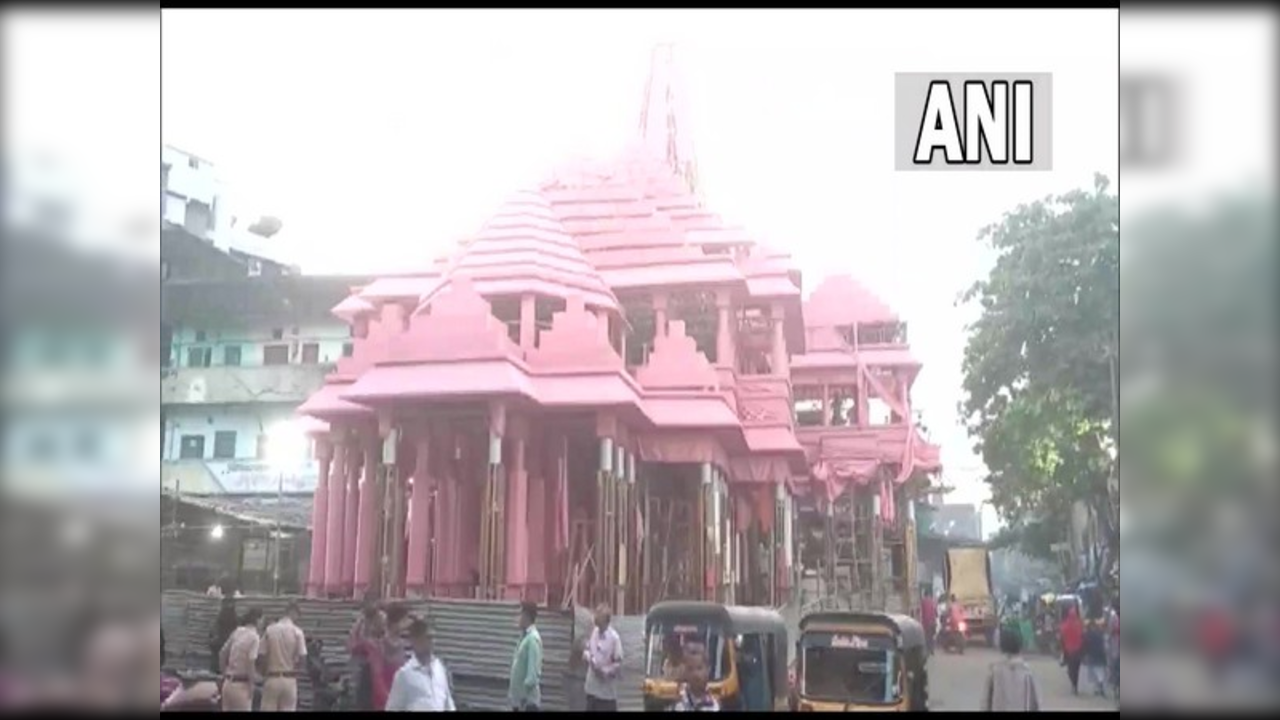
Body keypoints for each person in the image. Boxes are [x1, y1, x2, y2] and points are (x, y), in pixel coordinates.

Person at [385, 617, 456, 712]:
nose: (431, 642)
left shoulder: (439, 668)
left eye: (432, 637)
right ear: (414, 641)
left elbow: (448, 703)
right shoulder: (405, 675)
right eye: (426, 638)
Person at [980, 622, 1041, 711]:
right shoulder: (1027, 672)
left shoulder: (994, 671)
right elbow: (1035, 702)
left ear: (1002, 646)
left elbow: (986, 701)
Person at [259, 601, 307, 712]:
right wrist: (296, 670)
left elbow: (261, 655)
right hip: (289, 679)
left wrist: (263, 672)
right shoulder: (297, 632)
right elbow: (303, 658)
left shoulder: (270, 630)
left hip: (272, 677)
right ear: (293, 613)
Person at [219, 608, 263, 712]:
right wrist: (251, 685)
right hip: (241, 685)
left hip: (228, 684)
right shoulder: (254, 637)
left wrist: (224, 673)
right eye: (262, 620)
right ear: (257, 620)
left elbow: (222, 653)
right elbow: (250, 662)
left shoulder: (237, 632)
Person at [582, 603, 623, 712]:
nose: (596, 623)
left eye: (599, 619)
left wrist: (605, 671)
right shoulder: (594, 632)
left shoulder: (614, 638)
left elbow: (618, 664)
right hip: (592, 689)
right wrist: (587, 656)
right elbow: (588, 648)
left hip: (606, 694)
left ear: (606, 621)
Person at [509, 601, 543, 712]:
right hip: (520, 701)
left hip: (527, 703)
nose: (517, 618)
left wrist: (523, 697)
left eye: (519, 614)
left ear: (526, 616)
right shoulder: (524, 637)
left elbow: (532, 674)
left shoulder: (533, 639)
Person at [209, 596, 239, 674]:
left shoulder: (219, 619)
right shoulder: (235, 619)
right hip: (231, 668)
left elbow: (212, 633)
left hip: (220, 644)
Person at [1060, 606, 1084, 695]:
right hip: (1078, 650)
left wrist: (1062, 649)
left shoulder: (1064, 625)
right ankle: (1075, 685)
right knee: (1077, 669)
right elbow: (1082, 636)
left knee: (1070, 669)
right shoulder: (1079, 624)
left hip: (1068, 651)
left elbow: (1062, 638)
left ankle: (1073, 684)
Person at [1082, 614, 1108, 698]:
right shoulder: (1101, 634)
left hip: (1092, 655)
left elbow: (1085, 645)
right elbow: (1104, 645)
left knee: (1094, 673)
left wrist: (1085, 655)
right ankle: (1099, 688)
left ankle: (1098, 688)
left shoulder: (1088, 634)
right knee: (1100, 672)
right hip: (1100, 655)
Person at [920, 589, 938, 656]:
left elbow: (922, 613)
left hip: (926, 622)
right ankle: (932, 650)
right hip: (933, 622)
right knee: (932, 636)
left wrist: (922, 622)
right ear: (929, 595)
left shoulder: (923, 602)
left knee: (927, 636)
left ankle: (928, 650)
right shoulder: (933, 601)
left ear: (924, 595)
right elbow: (936, 612)